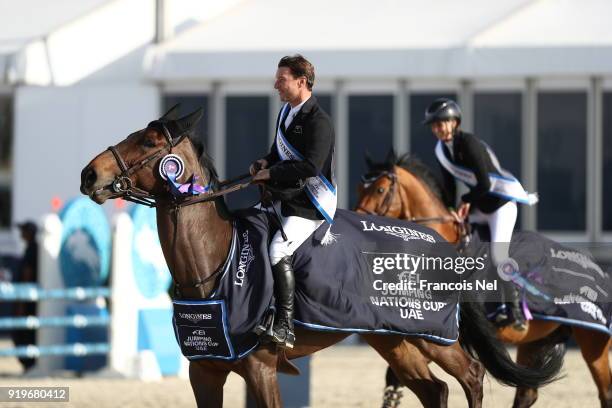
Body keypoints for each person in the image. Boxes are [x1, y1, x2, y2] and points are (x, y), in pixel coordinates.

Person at [424, 98, 538, 330]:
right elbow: (450, 188)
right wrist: (452, 210)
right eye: (434, 125)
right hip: (479, 207)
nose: (438, 129)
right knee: (461, 245)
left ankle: (515, 310)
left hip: (500, 205)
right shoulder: (440, 151)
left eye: (442, 123)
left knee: (498, 256)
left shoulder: (469, 143)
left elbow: (485, 184)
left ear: (455, 122)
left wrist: (465, 202)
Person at [250, 55, 336, 348]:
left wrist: (270, 172)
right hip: (285, 195)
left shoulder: (320, 121)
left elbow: (311, 167)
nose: (276, 85)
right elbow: (278, 151)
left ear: (301, 82)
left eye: (281, 79)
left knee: (276, 249)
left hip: (310, 203)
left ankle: (286, 326)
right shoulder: (286, 112)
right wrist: (264, 160)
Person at [12, 221, 39, 370]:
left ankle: (29, 364)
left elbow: (27, 276)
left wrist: (21, 303)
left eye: (23, 230)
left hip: (27, 300)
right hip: (28, 299)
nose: (21, 233)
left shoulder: (31, 250)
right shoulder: (31, 248)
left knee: (22, 332)